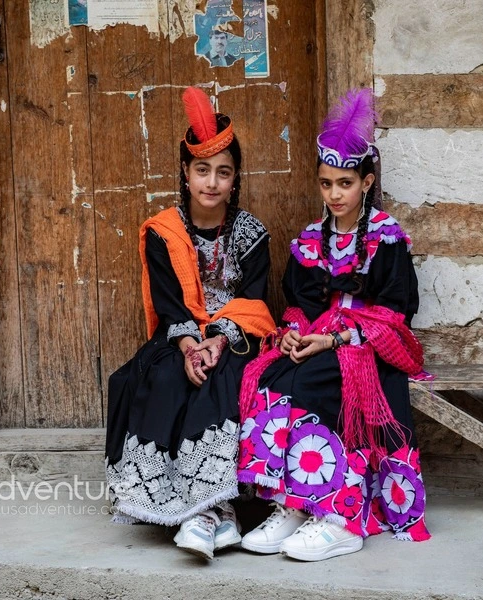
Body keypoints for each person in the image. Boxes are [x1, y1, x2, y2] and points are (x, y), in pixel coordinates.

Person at [235, 88, 430, 562]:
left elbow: (396, 313)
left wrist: (338, 337)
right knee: (271, 379)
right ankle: (292, 504)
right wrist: (299, 333)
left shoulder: (387, 238)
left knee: (320, 385)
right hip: (321, 339)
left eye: (345, 183)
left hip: (367, 347)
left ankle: (340, 518)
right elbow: (297, 305)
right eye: (326, 184)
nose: (335, 194)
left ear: (366, 182)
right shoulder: (307, 241)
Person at [104, 86, 275, 560]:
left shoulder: (252, 234)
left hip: (236, 338)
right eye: (203, 170)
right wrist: (188, 347)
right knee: (161, 376)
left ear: (236, 178)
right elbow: (169, 305)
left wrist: (217, 343)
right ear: (186, 172)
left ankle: (214, 509)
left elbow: (253, 304)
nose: (212, 183)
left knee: (226, 378)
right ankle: (193, 510)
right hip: (178, 337)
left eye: (224, 172)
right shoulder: (164, 231)